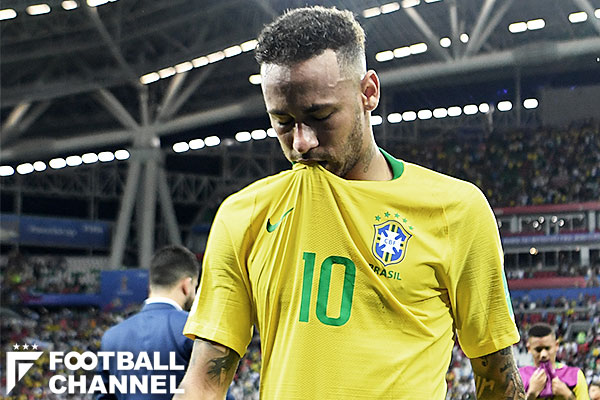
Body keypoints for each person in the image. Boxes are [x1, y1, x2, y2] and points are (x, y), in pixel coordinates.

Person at [176, 6, 524, 399]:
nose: (302, 142)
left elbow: (498, 378)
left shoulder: (455, 210)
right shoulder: (245, 215)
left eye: (320, 115)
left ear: (368, 92)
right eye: (283, 122)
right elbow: (204, 383)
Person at [97, 245, 201, 400]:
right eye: (195, 287)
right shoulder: (195, 329)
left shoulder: (111, 337)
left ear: (150, 286)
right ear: (187, 285)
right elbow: (215, 391)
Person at [518, 323, 589, 399]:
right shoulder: (520, 377)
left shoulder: (575, 376)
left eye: (547, 348)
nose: (543, 354)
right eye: (538, 350)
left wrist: (567, 395)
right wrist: (531, 394)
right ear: (529, 348)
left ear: (556, 345)